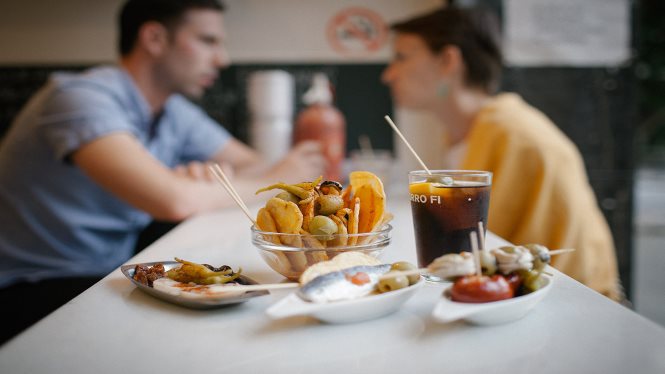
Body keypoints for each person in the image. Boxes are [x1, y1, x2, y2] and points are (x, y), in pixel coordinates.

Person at [0, 0, 324, 344]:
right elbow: (174, 201)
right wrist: (255, 181)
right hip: (31, 286)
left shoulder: (172, 110)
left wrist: (219, 180)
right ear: (154, 38)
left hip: (105, 271)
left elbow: (253, 164)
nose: (222, 59)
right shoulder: (78, 99)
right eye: (208, 41)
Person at [381, 5, 621, 300]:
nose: (388, 75)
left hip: (575, 302)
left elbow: (475, 249)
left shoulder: (513, 136)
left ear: (448, 60)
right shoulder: (470, 132)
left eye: (401, 57)